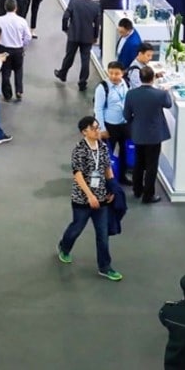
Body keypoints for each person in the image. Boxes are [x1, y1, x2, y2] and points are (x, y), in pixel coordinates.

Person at [56, 116, 126, 280]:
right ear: (84, 132)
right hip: (82, 199)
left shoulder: (103, 147)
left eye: (97, 127)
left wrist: (112, 188)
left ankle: (105, 267)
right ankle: (64, 247)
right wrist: (90, 196)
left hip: (101, 198)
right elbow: (78, 175)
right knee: (76, 228)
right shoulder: (79, 150)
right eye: (93, 128)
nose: (97, 131)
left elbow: (107, 169)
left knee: (103, 234)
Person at [124, 66, 172, 203]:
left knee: (138, 162)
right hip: (154, 135)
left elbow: (126, 115)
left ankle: (137, 189)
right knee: (152, 165)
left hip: (138, 133)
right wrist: (166, 92)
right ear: (153, 78)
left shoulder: (131, 94)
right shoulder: (160, 94)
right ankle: (148, 195)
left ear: (140, 78)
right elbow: (168, 104)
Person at [57, 0, 99, 92]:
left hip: (74, 34)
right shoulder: (95, 6)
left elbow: (65, 17)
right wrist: (95, 36)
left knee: (69, 56)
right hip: (87, 36)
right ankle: (82, 82)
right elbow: (97, 24)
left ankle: (63, 74)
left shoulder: (73, 3)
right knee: (85, 59)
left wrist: (65, 29)